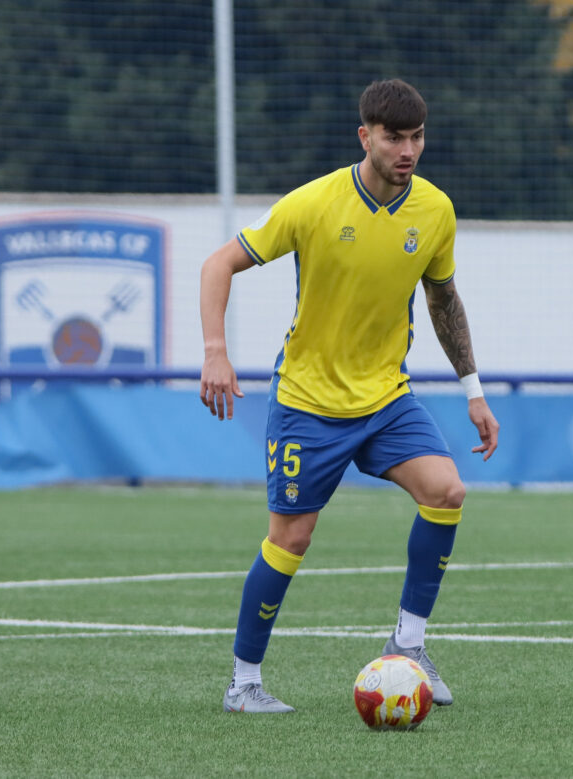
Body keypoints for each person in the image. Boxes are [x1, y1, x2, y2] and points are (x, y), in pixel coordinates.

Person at [199, 78, 500, 714]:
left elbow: (443, 300)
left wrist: (473, 391)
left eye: (417, 137)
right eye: (394, 138)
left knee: (447, 491)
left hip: (387, 398)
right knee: (292, 538)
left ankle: (409, 646)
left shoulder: (435, 211)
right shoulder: (314, 204)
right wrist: (215, 352)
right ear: (365, 137)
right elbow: (217, 264)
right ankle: (243, 682)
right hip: (308, 402)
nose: (407, 150)